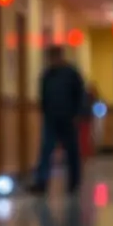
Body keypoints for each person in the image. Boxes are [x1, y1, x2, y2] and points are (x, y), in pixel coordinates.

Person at [29, 46, 86, 195]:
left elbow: (80, 95)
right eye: (50, 57)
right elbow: (43, 96)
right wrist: (44, 112)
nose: (52, 60)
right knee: (46, 150)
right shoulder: (47, 75)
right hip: (51, 118)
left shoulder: (72, 74)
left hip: (69, 117)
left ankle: (74, 182)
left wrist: (78, 114)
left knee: (71, 151)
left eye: (54, 57)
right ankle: (41, 182)